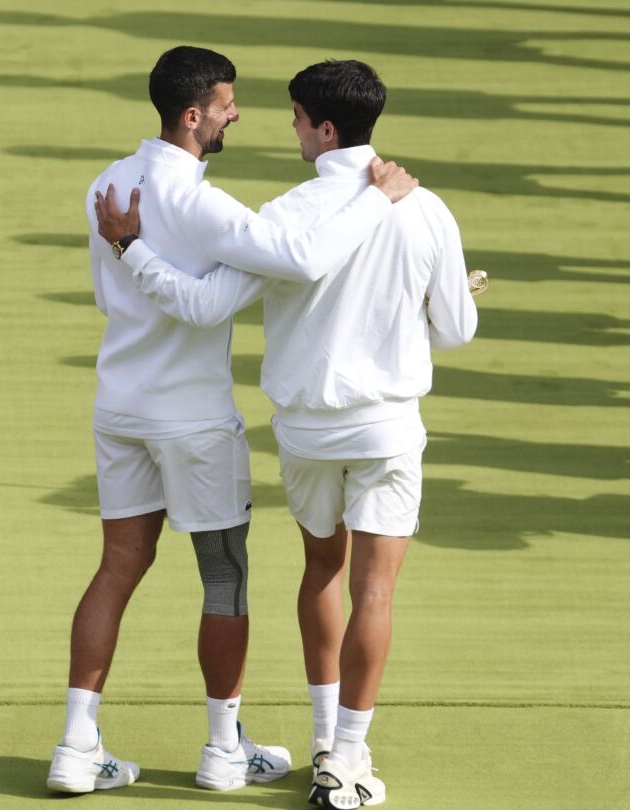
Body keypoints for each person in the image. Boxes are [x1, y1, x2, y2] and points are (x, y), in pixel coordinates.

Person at [93, 59, 478, 808]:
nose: (286, 127)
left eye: (296, 116)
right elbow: (456, 330)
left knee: (323, 573)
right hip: (386, 428)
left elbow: (204, 304)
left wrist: (129, 250)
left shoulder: (286, 212)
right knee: (376, 589)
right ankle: (348, 758)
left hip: (305, 433)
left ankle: (325, 736)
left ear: (325, 127)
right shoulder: (425, 210)